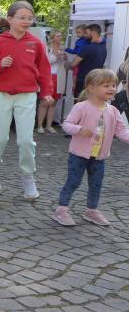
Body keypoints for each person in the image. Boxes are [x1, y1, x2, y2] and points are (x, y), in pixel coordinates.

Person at [0, 0, 53, 199]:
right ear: (10, 19)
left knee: (26, 140)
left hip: (27, 95)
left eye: (30, 18)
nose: (26, 21)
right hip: (1, 95)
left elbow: (45, 71)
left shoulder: (36, 43)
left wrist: (46, 92)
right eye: (22, 17)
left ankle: (28, 176)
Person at [53, 69, 129, 227]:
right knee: (73, 181)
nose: (112, 88)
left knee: (96, 184)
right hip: (79, 154)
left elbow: (122, 131)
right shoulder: (81, 107)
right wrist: (80, 129)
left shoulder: (113, 111)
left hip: (99, 157)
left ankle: (91, 210)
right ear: (91, 88)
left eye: (113, 85)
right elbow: (67, 124)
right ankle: (62, 210)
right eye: (106, 85)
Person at [67, 24, 107, 98]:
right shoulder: (103, 47)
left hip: (83, 82)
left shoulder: (87, 48)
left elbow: (72, 65)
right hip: (95, 81)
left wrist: (65, 60)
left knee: (80, 103)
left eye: (86, 33)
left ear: (93, 33)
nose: (84, 35)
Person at [37, 30, 65, 133]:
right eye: (57, 36)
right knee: (44, 102)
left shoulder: (62, 49)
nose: (60, 38)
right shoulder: (47, 48)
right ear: (52, 38)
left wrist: (65, 58)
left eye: (61, 36)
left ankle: (49, 125)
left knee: (53, 102)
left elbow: (65, 65)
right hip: (48, 76)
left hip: (59, 77)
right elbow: (46, 62)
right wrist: (56, 55)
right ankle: (40, 126)